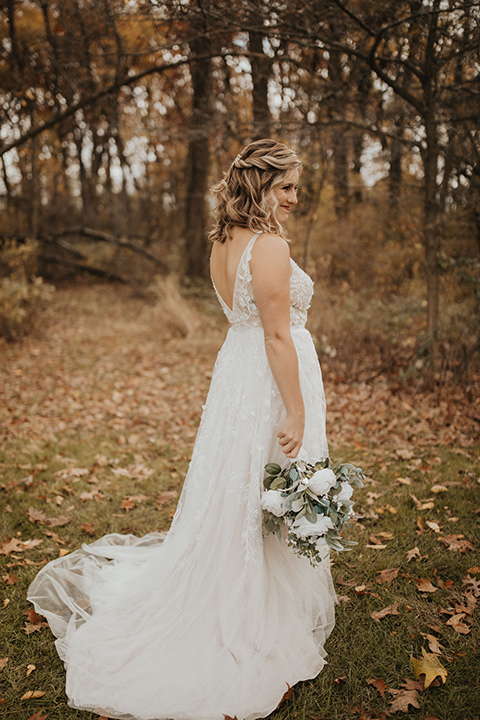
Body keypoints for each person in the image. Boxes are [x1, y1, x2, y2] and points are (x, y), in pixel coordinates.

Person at [27, 138, 336, 720]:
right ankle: (247, 609)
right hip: (268, 379)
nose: (296, 197)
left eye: (296, 186)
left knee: (243, 486)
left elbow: (251, 325)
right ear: (259, 185)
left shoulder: (224, 241)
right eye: (287, 186)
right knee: (265, 481)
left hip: (238, 377)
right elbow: (275, 336)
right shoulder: (268, 246)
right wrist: (295, 411)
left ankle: (244, 580)